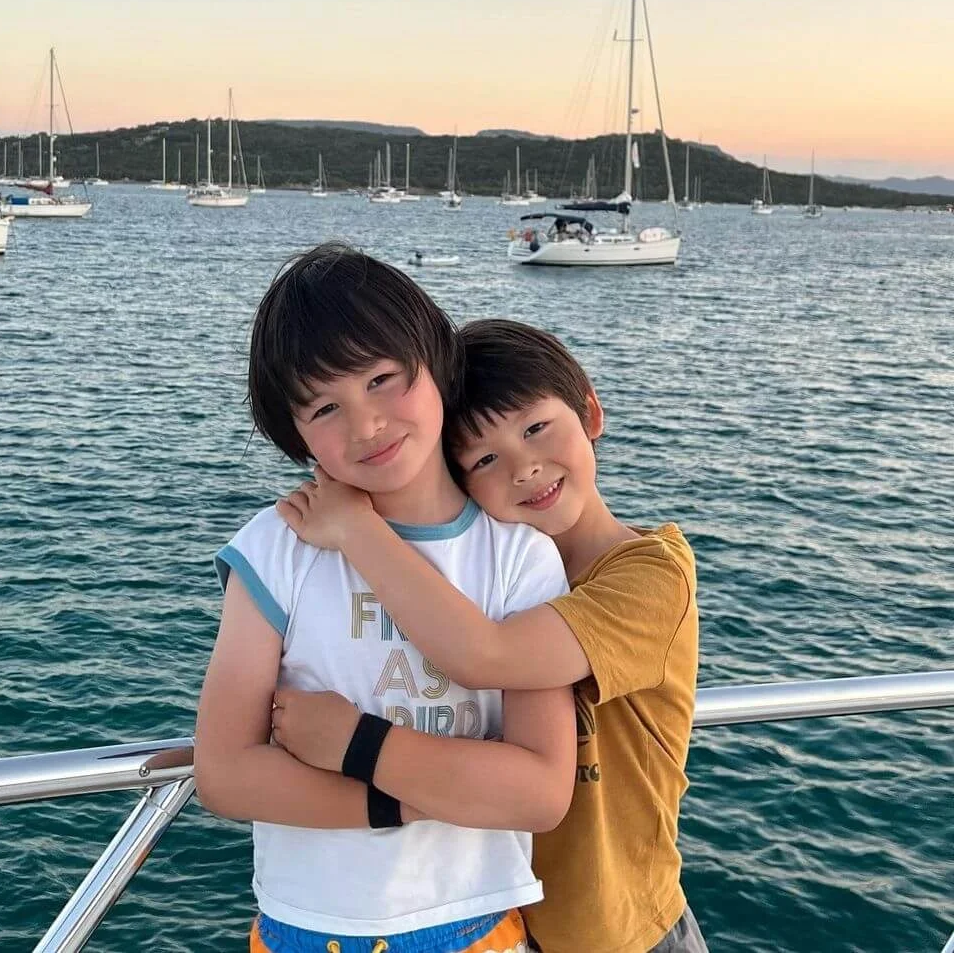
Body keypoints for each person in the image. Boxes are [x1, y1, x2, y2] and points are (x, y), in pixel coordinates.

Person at [275, 318, 707, 953]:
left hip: (623, 933)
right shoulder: (491, 583)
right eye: (483, 460)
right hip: (498, 925)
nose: (524, 468)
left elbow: (485, 656)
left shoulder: (650, 578)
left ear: (590, 413)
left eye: (535, 428)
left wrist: (354, 530)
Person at [194, 246, 577, 953]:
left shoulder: (518, 557)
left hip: (475, 927)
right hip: (304, 931)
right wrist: (404, 798)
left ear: (435, 360)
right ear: (293, 432)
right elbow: (224, 772)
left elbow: (540, 791)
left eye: (380, 379)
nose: (365, 424)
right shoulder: (277, 547)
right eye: (324, 407)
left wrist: (357, 746)